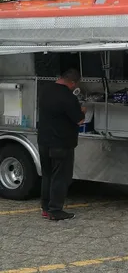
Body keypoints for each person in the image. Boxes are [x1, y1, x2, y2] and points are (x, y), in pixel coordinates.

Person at [38, 68, 86, 221]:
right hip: (61, 143)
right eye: (74, 84)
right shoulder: (68, 97)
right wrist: (82, 110)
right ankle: (55, 210)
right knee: (60, 177)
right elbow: (79, 120)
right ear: (72, 82)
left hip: (44, 141)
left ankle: (45, 208)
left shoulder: (45, 90)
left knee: (47, 176)